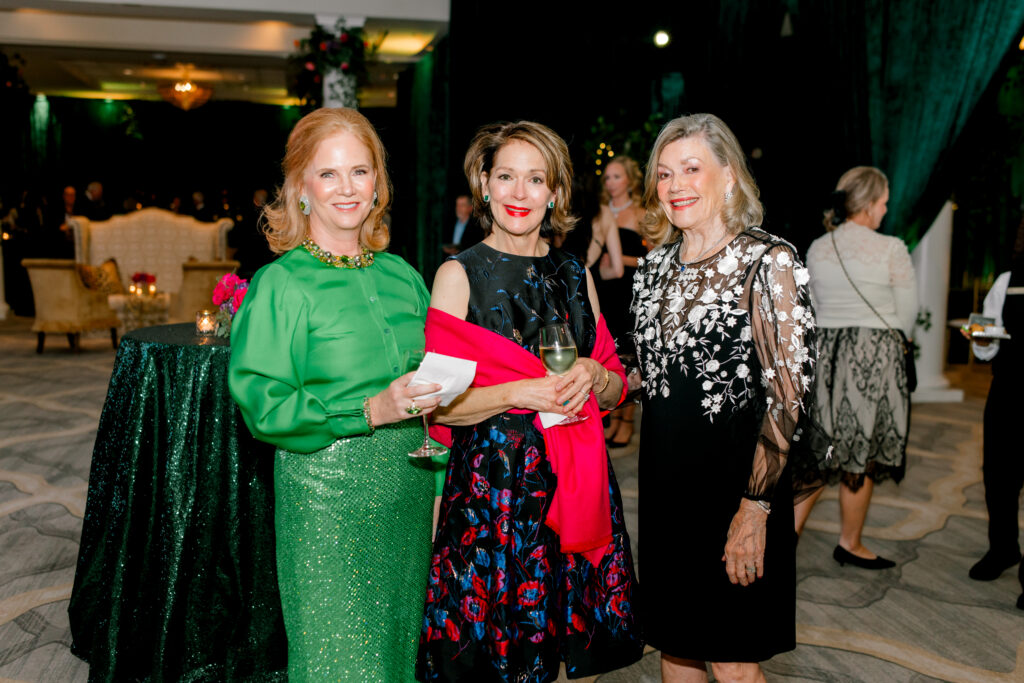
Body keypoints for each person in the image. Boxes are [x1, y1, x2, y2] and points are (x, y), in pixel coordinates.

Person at [418, 121, 643, 681]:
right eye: (507, 177)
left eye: (535, 179)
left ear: (555, 193)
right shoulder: (457, 275)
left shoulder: (574, 273)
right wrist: (520, 391)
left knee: (566, 640)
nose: (520, 193)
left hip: (576, 480)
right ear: (486, 186)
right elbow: (438, 408)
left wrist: (593, 372)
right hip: (494, 492)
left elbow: (615, 389)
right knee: (497, 652)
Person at [228, 107, 442, 681]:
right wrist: (368, 410)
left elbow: (434, 391)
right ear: (300, 189)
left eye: (360, 171)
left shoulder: (403, 275)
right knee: (341, 663)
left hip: (409, 492)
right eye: (328, 174)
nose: (347, 188)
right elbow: (264, 405)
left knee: (395, 657)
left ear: (379, 184)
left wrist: (440, 484)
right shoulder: (282, 283)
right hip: (326, 496)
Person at [631, 113, 819, 682]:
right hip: (666, 489)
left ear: (730, 176)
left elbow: (790, 396)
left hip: (738, 491)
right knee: (676, 647)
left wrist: (755, 508)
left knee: (734, 661)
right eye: (664, 174)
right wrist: (596, 375)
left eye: (692, 168)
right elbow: (652, 370)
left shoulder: (769, 262)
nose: (676, 185)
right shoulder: (654, 268)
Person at [794, 166, 917, 570]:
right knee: (858, 453)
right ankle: (850, 542)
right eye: (883, 202)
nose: (884, 210)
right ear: (868, 203)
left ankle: (783, 540)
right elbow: (907, 316)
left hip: (827, 356)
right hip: (872, 357)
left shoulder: (817, 247)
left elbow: (810, 307)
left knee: (819, 451)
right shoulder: (891, 248)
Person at [962, 217, 1024, 610]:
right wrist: (982, 340)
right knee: (998, 476)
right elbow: (987, 343)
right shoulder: (1007, 280)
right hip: (1008, 392)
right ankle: (1003, 549)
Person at [597, 155, 646, 448]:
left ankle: (626, 422)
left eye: (616, 176)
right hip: (603, 288)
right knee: (607, 351)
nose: (611, 182)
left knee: (627, 353)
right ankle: (611, 415)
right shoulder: (600, 212)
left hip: (628, 290)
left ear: (629, 179)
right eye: (607, 178)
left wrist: (623, 260)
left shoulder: (641, 214)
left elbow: (654, 259)